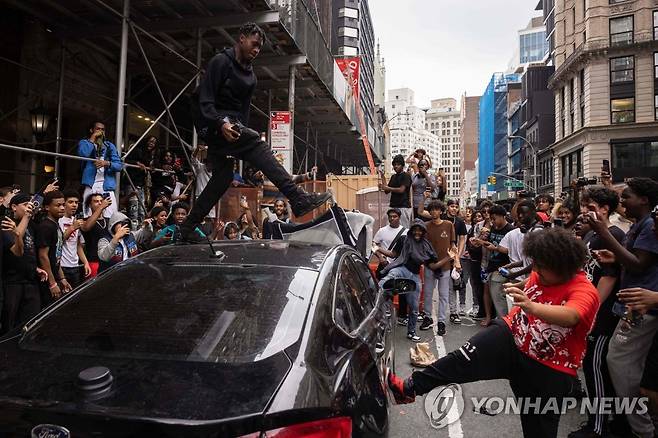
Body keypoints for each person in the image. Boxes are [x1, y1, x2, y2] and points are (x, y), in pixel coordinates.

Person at [388, 228, 599, 438]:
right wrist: (517, 285)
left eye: (542, 267)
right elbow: (532, 279)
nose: (536, 269)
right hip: (511, 335)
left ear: (563, 267)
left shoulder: (584, 289)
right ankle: (409, 388)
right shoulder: (543, 272)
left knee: (539, 428)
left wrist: (531, 306)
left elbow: (572, 315)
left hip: (548, 368)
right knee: (461, 358)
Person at [183, 22, 330, 241]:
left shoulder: (250, 77)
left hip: (230, 127)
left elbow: (243, 114)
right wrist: (221, 124)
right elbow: (205, 101)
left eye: (260, 47)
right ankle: (297, 198)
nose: (256, 50)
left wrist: (239, 133)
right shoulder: (221, 62)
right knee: (258, 145)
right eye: (254, 44)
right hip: (209, 123)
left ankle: (187, 227)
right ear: (241, 38)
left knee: (222, 177)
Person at [587, 178, 658, 438]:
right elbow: (636, 259)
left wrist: (604, 233)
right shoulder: (642, 224)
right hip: (634, 306)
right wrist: (615, 257)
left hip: (644, 309)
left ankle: (642, 428)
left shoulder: (650, 223)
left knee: (618, 361)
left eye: (627, 196)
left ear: (644, 200)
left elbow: (640, 264)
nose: (623, 201)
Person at [567, 186, 627, 438]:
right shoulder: (593, 235)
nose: (583, 212)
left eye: (590, 207)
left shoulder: (610, 234)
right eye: (582, 206)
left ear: (605, 209)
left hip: (603, 315)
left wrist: (591, 312)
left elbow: (609, 278)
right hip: (591, 309)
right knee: (592, 366)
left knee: (595, 367)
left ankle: (599, 426)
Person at [378, 219, 454, 342]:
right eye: (415, 230)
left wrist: (448, 258)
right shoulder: (404, 240)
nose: (417, 232)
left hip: (414, 276)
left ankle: (411, 332)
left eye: (420, 230)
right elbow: (393, 254)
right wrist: (377, 248)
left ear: (423, 232)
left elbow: (433, 266)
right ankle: (377, 294)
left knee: (414, 308)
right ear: (411, 230)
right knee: (389, 277)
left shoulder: (425, 246)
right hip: (402, 269)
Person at [1, 194, 45, 333]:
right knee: (11, 324)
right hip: (12, 282)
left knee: (32, 322)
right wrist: (25, 218)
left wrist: (35, 268)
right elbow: (17, 251)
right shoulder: (6, 223)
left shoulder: (30, 226)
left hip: (30, 280)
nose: (29, 208)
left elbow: (27, 251)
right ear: (14, 207)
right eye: (26, 204)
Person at [416, 199, 456, 335]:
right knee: (427, 293)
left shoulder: (449, 225)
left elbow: (453, 245)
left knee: (443, 295)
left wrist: (456, 261)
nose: (434, 212)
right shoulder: (425, 226)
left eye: (437, 209)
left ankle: (441, 321)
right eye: (432, 209)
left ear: (441, 211)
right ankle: (427, 317)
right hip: (429, 265)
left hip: (445, 265)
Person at [78, 121, 123, 219]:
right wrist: (93, 139)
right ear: (91, 130)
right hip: (90, 185)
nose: (101, 132)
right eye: (98, 129)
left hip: (106, 186)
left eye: (103, 129)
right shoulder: (85, 143)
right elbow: (83, 154)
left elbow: (119, 166)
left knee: (111, 216)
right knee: (89, 215)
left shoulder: (109, 146)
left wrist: (107, 163)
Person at [35, 191, 72, 306]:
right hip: (45, 280)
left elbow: (57, 255)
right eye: (57, 205)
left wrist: (62, 278)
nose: (62, 208)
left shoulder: (55, 225)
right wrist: (52, 283)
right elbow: (43, 256)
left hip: (55, 275)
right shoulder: (46, 226)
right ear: (47, 207)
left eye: (63, 205)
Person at [480, 205, 514, 318]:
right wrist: (480, 242)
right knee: (494, 296)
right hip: (492, 265)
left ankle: (504, 322)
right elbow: (489, 243)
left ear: (503, 216)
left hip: (504, 268)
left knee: (500, 298)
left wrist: (495, 248)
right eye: (491, 219)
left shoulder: (511, 231)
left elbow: (512, 251)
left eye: (494, 219)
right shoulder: (493, 228)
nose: (493, 222)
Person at [58, 190, 91, 289]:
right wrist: (72, 228)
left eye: (76, 203)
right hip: (62, 267)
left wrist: (85, 263)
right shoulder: (59, 220)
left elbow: (78, 245)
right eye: (71, 202)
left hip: (75, 266)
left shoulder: (75, 220)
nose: (74, 205)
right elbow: (58, 242)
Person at [443, 199, 467, 323]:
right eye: (452, 206)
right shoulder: (441, 217)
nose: (454, 209)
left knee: (453, 285)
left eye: (456, 207)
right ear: (447, 207)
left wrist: (458, 255)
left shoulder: (459, 222)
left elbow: (462, 239)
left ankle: (453, 312)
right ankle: (427, 314)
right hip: (439, 256)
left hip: (453, 257)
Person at [80, 193, 112, 278]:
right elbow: (86, 227)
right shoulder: (84, 220)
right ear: (90, 205)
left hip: (109, 261)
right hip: (93, 262)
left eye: (101, 201)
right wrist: (101, 207)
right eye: (96, 201)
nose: (99, 203)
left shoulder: (109, 220)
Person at [379, 154, 413, 229]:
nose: (396, 166)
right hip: (392, 207)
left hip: (403, 207)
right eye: (394, 165)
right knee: (390, 229)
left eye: (398, 164)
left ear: (402, 166)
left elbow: (401, 190)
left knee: (403, 230)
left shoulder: (406, 176)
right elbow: (386, 191)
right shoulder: (393, 177)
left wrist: (387, 188)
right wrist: (383, 178)